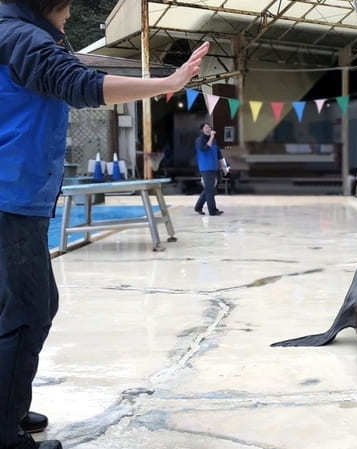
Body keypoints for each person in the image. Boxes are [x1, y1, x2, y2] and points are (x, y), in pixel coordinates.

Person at [0, 1, 210, 448]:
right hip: (10, 197)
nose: (68, 14)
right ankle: (4, 430)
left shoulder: (15, 30)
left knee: (24, 307)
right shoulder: (23, 37)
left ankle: (9, 407)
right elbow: (80, 84)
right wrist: (170, 82)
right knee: (27, 311)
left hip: (16, 195)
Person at [194, 123, 229, 216]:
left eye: (209, 127)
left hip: (215, 168)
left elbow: (219, 155)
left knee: (210, 189)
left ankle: (198, 207)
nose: (208, 129)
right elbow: (204, 149)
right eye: (206, 127)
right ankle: (213, 211)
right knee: (210, 190)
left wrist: (224, 167)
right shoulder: (199, 140)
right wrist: (211, 137)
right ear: (202, 130)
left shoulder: (214, 141)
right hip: (206, 168)